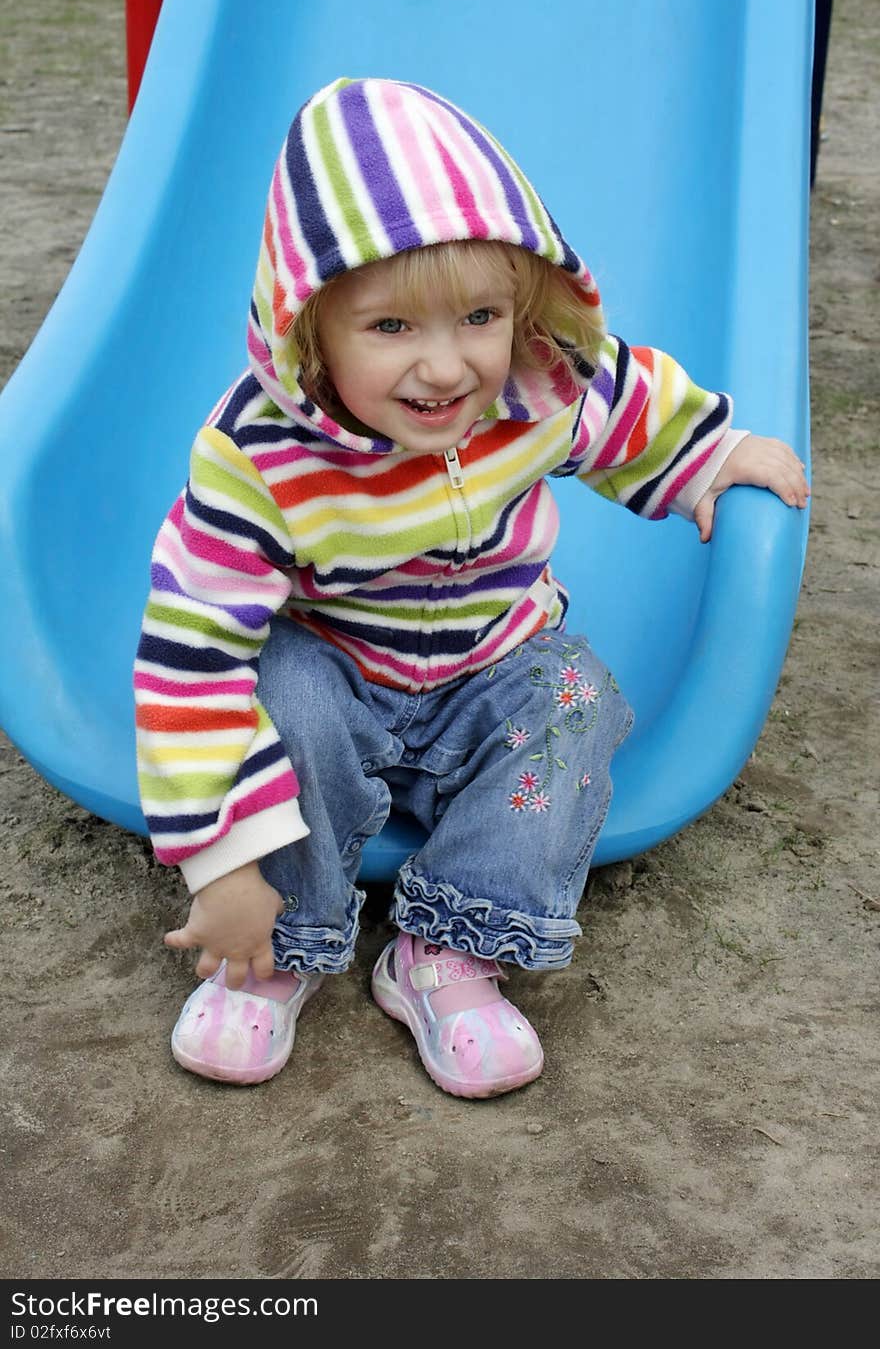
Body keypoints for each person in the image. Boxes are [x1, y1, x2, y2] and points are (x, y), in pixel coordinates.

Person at [134, 77, 809, 1097]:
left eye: (479, 316)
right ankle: (280, 938)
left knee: (574, 700)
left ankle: (449, 946)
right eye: (391, 329)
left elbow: (633, 410)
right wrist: (221, 865)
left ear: (523, 308)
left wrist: (713, 457)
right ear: (309, 329)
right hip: (340, 666)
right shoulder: (261, 455)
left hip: (491, 662)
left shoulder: (534, 387)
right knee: (281, 691)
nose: (445, 367)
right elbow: (191, 656)